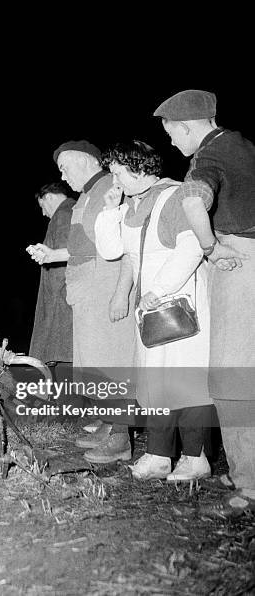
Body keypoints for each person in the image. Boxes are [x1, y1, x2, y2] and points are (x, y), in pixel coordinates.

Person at [153, 90, 255, 514]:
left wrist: (211, 248)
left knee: (232, 377)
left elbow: (194, 199)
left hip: (239, 263)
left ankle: (249, 485)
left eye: (172, 134)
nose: (173, 143)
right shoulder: (244, 144)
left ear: (188, 126)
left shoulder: (208, 156)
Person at [95, 140, 214, 481]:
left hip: (179, 302)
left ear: (141, 168)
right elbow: (114, 251)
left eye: (118, 173)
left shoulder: (173, 196)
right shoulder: (134, 204)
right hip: (152, 307)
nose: (114, 180)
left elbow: (191, 249)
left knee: (185, 381)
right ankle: (159, 456)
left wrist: (158, 290)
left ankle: (196, 459)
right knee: (156, 382)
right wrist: (110, 209)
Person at [27, 140, 135, 464]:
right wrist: (53, 254)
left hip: (105, 292)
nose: (62, 174)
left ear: (86, 160)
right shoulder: (86, 197)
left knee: (111, 365)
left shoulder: (108, 188)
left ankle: (120, 439)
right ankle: (107, 427)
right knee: (94, 366)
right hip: (86, 296)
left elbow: (124, 244)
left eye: (65, 167)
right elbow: (85, 248)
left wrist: (122, 292)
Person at [28, 182, 75, 366]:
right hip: (63, 299)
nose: (43, 213)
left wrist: (53, 301)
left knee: (62, 353)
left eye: (42, 206)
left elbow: (66, 254)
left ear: (49, 197)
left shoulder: (63, 214)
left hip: (62, 300)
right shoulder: (71, 210)